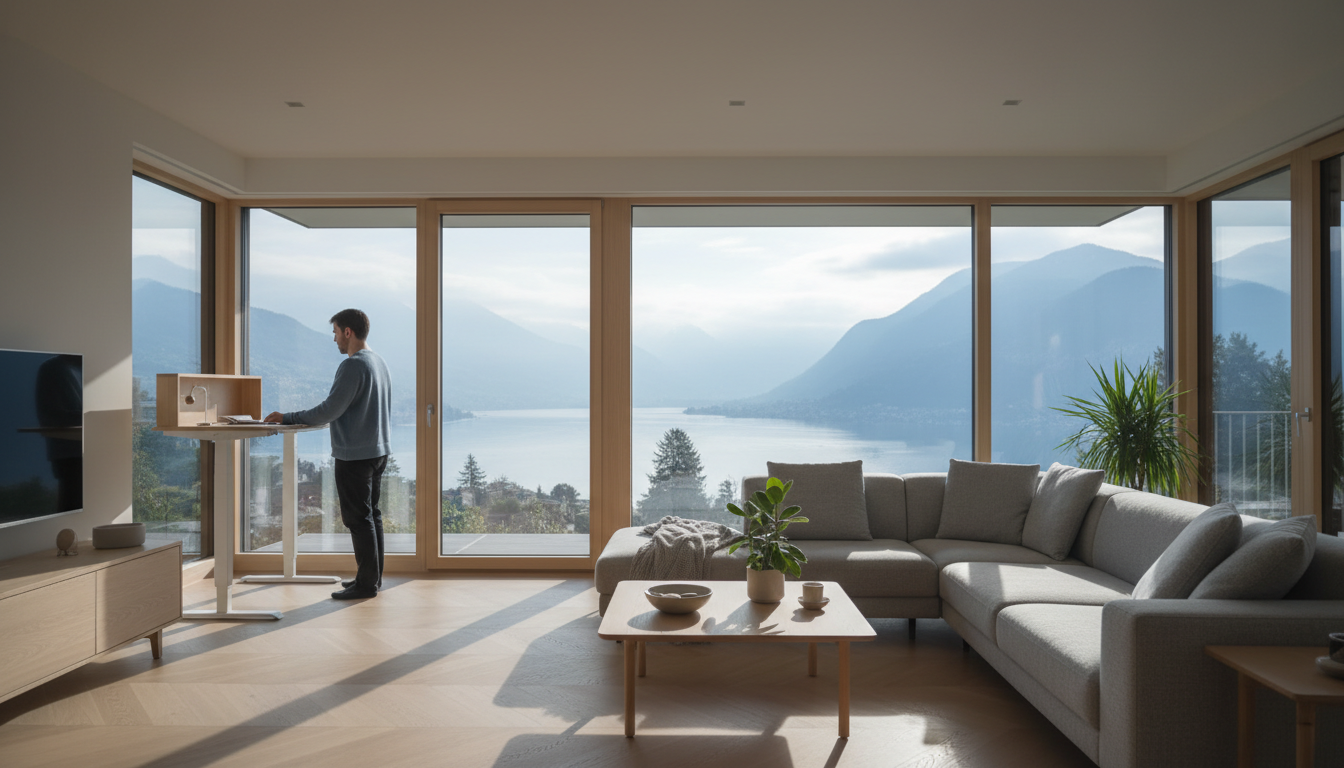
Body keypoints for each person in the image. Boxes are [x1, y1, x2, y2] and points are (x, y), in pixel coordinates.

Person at [265, 308, 391, 600]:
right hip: (379, 451)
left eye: (335, 332)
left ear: (348, 332)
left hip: (355, 455)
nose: (334, 339)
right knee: (372, 516)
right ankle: (371, 577)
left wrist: (287, 417)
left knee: (358, 520)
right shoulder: (379, 362)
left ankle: (366, 584)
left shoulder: (353, 365)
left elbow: (330, 409)